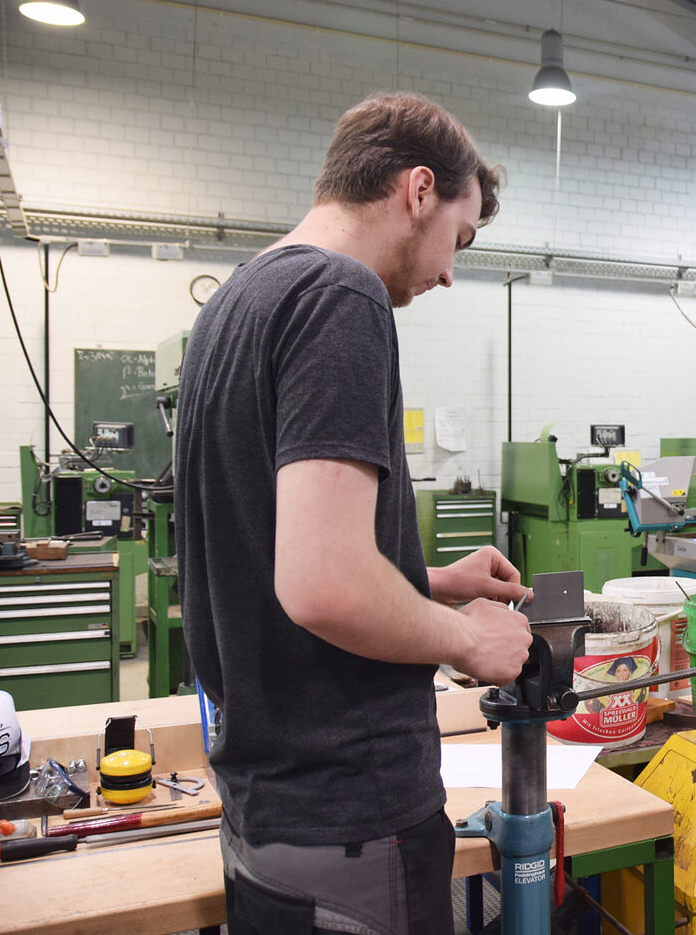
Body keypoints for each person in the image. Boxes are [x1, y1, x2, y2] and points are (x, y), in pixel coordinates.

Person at [177, 92, 533, 935]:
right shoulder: (342, 297)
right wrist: (468, 636)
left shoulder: (238, 301)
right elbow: (325, 584)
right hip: (350, 811)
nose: (450, 270)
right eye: (461, 236)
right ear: (417, 190)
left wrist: (429, 581)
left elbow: (271, 553)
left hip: (267, 806)